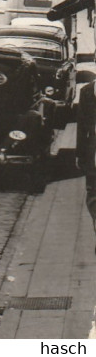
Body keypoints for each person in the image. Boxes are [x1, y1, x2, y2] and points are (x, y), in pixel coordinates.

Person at [76, 80, 96, 248]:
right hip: (93, 152)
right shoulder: (87, 91)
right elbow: (81, 125)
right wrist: (79, 153)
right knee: (93, 193)